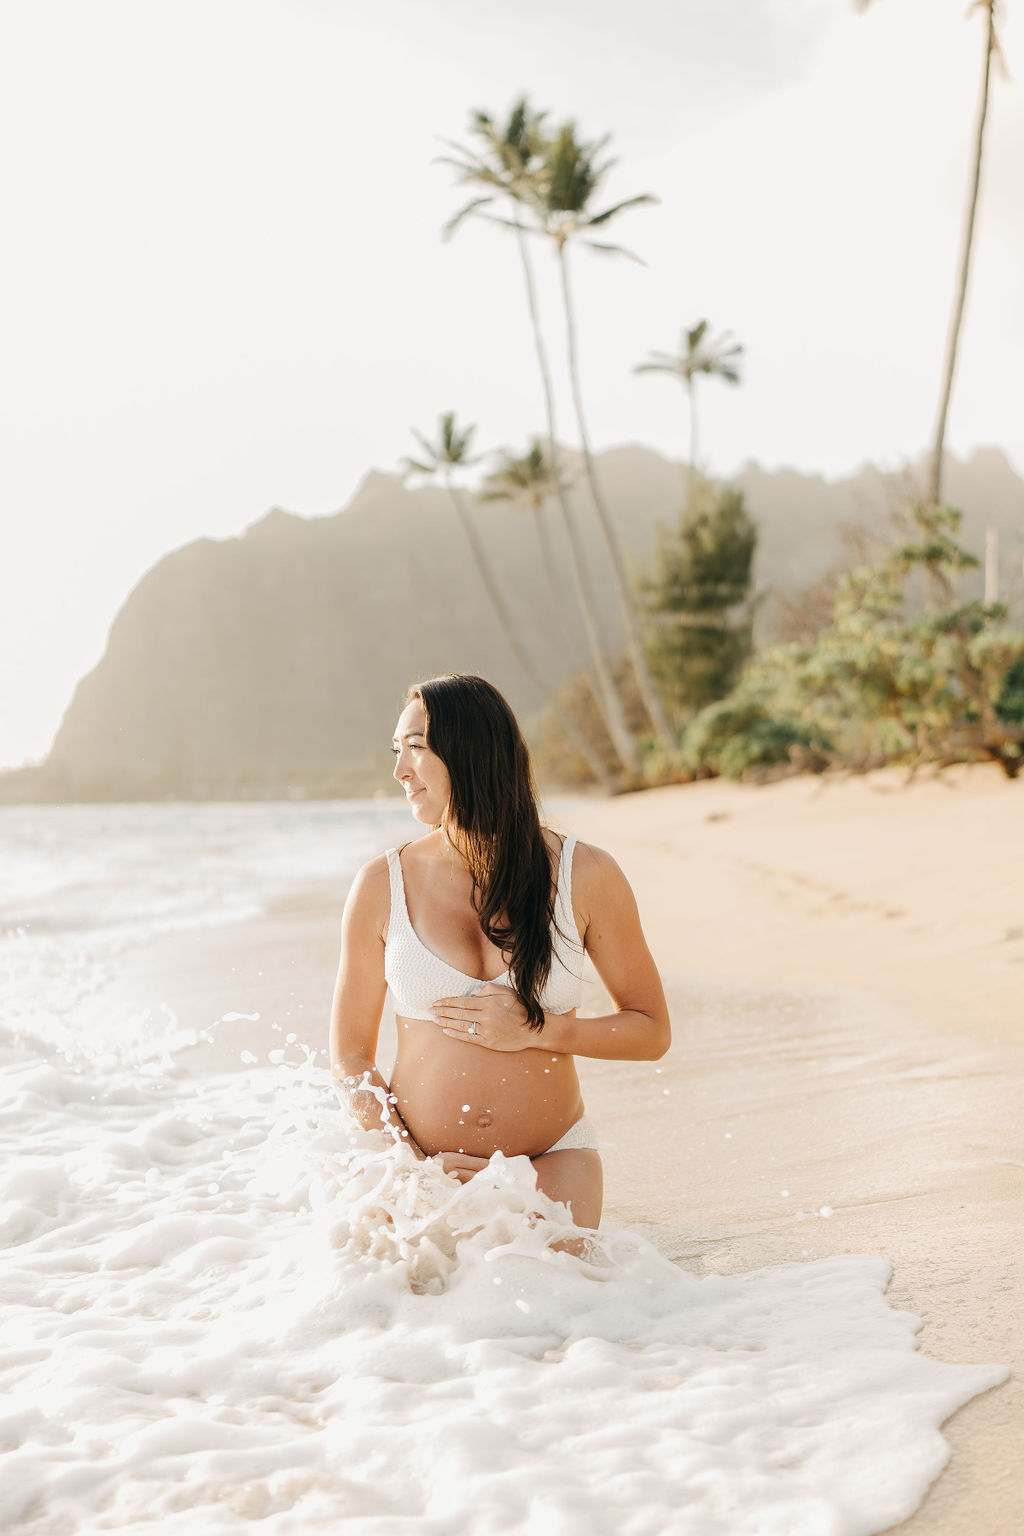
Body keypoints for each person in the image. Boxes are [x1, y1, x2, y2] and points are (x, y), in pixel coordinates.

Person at [329, 674, 670, 1229]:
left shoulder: (586, 875)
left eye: (416, 748)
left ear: (473, 752)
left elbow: (651, 1030)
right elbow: (350, 1059)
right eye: (397, 751)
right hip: (415, 1166)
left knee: (563, 1305)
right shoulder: (380, 885)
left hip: (552, 1160)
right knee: (396, 1301)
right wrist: (409, 1163)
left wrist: (542, 1030)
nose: (399, 772)